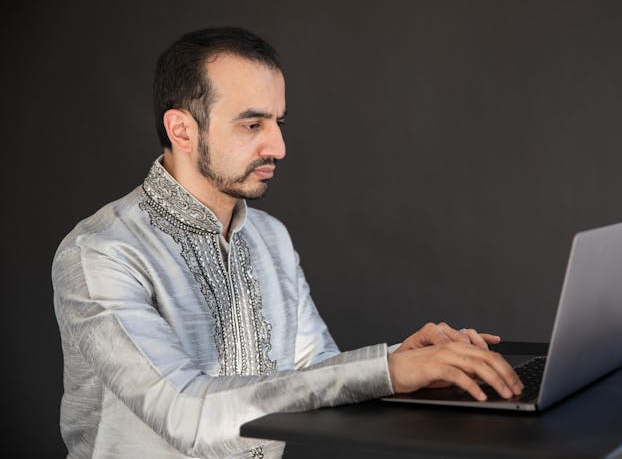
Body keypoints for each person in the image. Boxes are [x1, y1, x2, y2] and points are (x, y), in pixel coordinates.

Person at [52, 27, 523, 459]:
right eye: (252, 124)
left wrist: (401, 359)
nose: (278, 147)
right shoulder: (100, 252)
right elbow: (185, 415)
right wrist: (385, 372)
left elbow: (314, 374)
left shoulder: (270, 237)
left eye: (278, 122)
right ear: (182, 130)